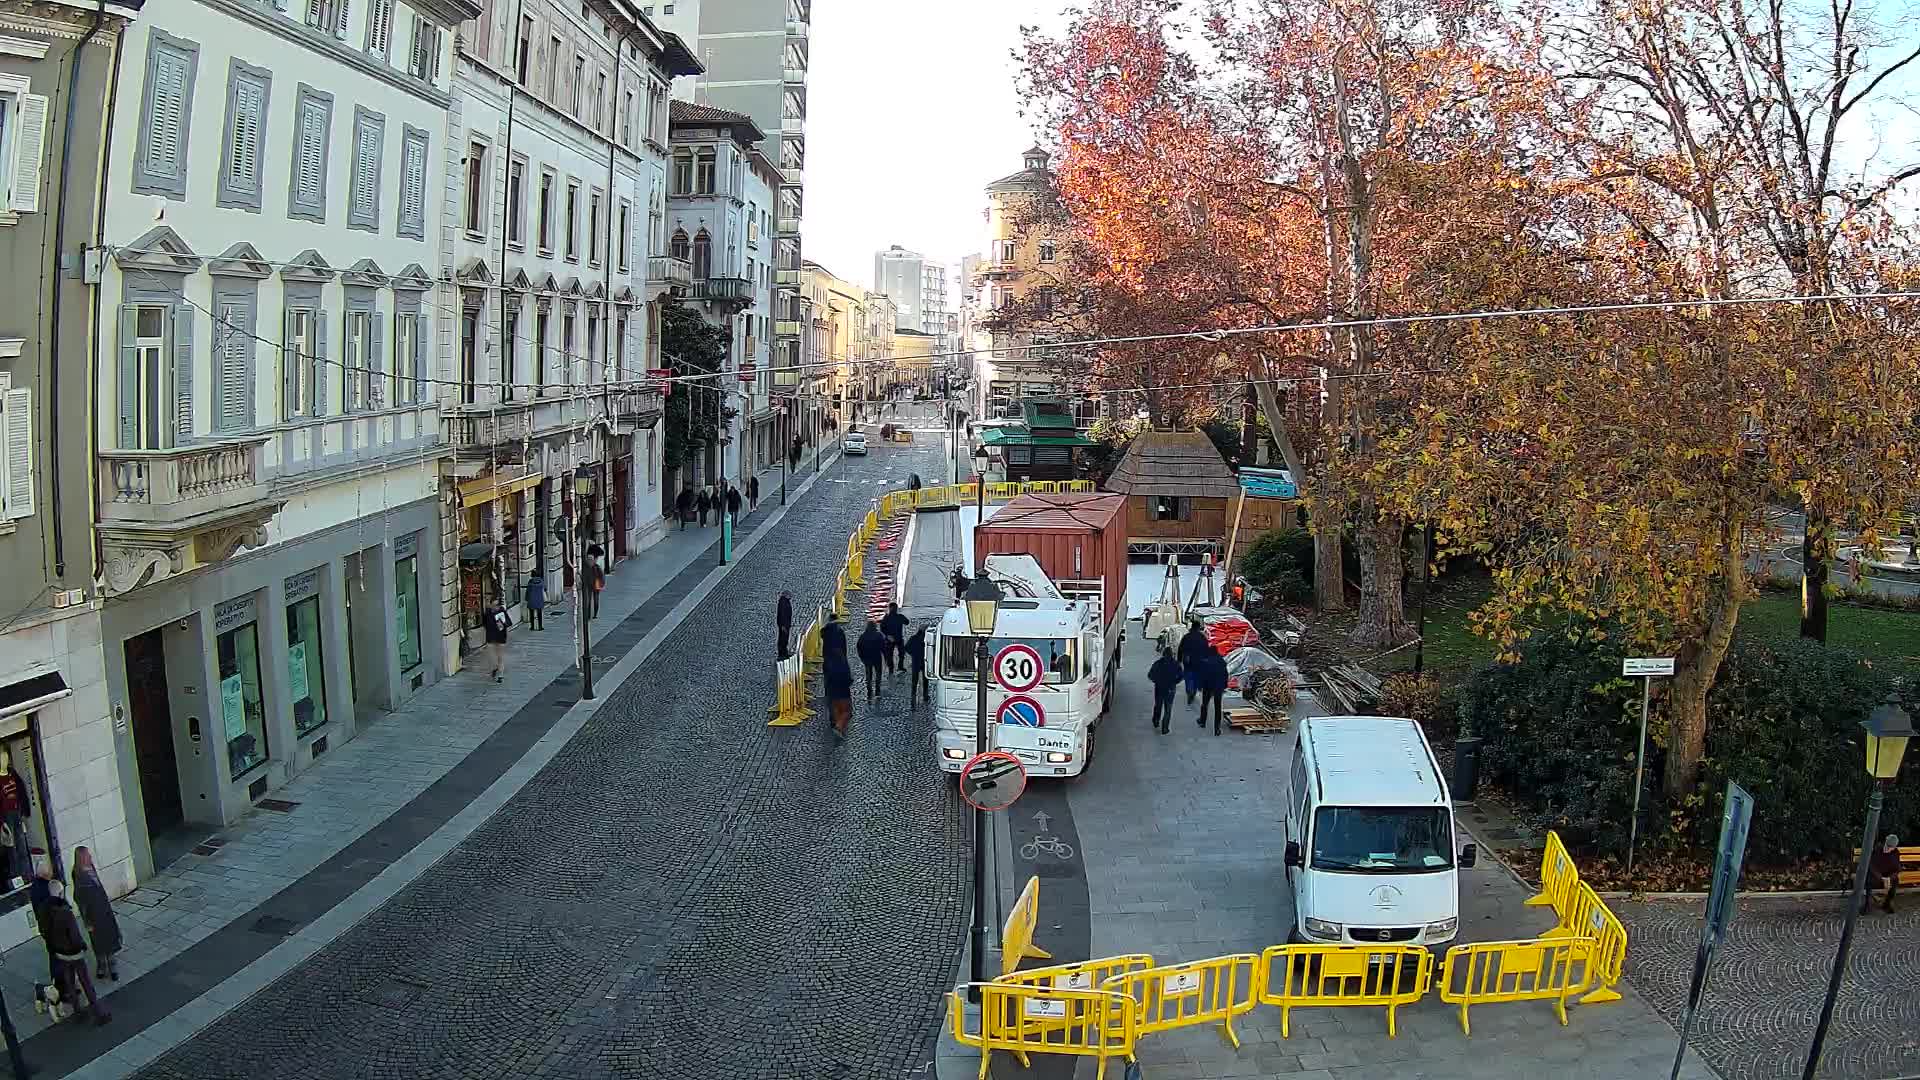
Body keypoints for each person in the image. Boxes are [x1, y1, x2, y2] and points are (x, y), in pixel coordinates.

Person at [41, 880, 107, 1025]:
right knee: (85, 982)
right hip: (73, 952)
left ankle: (78, 1012)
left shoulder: (45, 911)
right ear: (60, 893)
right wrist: (82, 946)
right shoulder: (66, 912)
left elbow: (44, 932)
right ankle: (98, 1013)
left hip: (59, 952)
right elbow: (74, 936)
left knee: (69, 981)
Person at [71, 847, 121, 982]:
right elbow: (79, 898)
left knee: (109, 936)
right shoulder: (78, 874)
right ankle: (102, 965)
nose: (90, 857)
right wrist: (87, 920)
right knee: (97, 940)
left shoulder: (90, 867)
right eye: (87, 855)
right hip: (92, 912)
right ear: (82, 858)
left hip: (103, 908)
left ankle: (112, 964)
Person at [1148, 647, 1184, 735]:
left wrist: (1156, 681)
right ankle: (1165, 728)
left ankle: (1156, 720)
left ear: (1163, 654)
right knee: (1168, 709)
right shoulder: (1176, 664)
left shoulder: (1158, 663)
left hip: (1159, 688)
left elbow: (1150, 675)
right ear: (1172, 654)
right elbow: (1181, 675)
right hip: (1170, 688)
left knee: (1158, 705)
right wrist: (1175, 682)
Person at [1195, 646, 1229, 735]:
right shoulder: (1221, 661)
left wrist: (1199, 685)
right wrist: (1225, 685)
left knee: (1205, 704)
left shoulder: (1205, 661)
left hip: (1207, 686)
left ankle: (1202, 721)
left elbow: (1201, 675)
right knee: (1218, 707)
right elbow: (1225, 674)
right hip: (1218, 687)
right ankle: (1217, 729)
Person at [1866, 834, 1902, 914]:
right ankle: (1867, 905)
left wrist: (1889, 878)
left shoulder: (1896, 853)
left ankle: (1887, 904)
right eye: (1887, 846)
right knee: (1868, 879)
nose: (1888, 849)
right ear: (1885, 842)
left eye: (1890, 847)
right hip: (1877, 877)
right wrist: (1881, 877)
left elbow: (1897, 869)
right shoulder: (1877, 850)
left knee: (1895, 881)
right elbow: (1871, 866)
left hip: (1888, 878)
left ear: (1894, 847)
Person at [1178, 620, 1210, 705]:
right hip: (1199, 662)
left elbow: (1181, 648)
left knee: (1188, 677)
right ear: (1199, 627)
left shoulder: (1187, 636)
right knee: (1196, 677)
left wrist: (1179, 660)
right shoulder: (1202, 638)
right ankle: (1194, 691)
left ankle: (1189, 691)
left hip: (1188, 661)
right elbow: (1206, 650)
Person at [857, 621, 887, 700]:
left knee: (869, 675)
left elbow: (859, 648)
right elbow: (883, 647)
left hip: (867, 658)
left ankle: (869, 690)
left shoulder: (863, 636)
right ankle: (877, 690)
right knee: (878, 674)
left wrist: (862, 657)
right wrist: (886, 657)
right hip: (877, 658)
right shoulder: (879, 635)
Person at [483, 600, 511, 682]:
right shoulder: (487, 612)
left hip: (500, 636)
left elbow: (509, 622)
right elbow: (484, 624)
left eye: (497, 605)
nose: (495, 607)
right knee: (491, 656)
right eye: (494, 605)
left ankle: (500, 675)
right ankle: (495, 668)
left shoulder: (502, 611)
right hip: (491, 637)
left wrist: (503, 623)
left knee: (500, 656)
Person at [880, 603, 909, 674]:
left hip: (889, 639)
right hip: (898, 638)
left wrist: (887, 635)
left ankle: (891, 669)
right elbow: (907, 622)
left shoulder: (886, 618)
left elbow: (882, 628)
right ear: (896, 609)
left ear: (889, 609)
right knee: (901, 654)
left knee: (889, 654)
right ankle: (900, 667)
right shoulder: (899, 617)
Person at [905, 625, 929, 706]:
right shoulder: (928, 640)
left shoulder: (913, 638)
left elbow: (907, 648)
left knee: (914, 680)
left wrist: (913, 654)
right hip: (925, 661)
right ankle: (925, 695)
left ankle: (913, 695)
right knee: (925, 680)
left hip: (916, 661)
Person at [777, 591, 795, 661]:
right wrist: (783, 625)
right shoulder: (783, 603)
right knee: (783, 639)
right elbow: (782, 615)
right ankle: (782, 654)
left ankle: (784, 652)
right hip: (784, 625)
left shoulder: (784, 602)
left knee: (785, 639)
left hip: (785, 624)